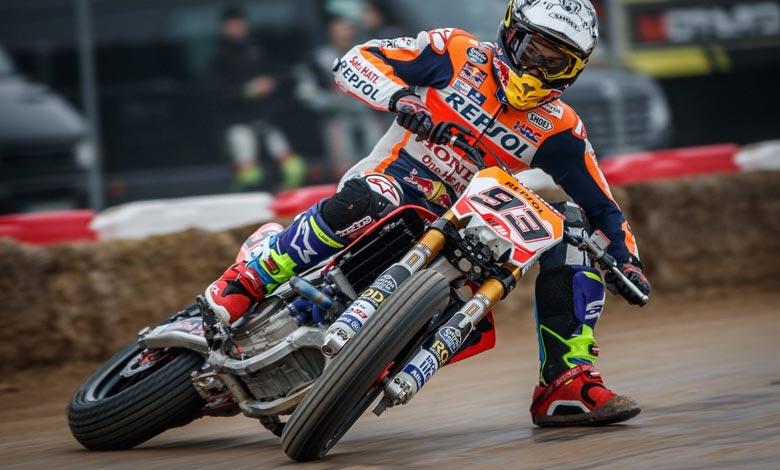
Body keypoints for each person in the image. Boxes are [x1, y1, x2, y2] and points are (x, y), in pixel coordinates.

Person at [202, 0, 651, 426]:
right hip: (388, 189)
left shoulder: (561, 128)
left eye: (554, 63)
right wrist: (401, 98)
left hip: (463, 228)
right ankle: (247, 279)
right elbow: (356, 60)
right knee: (377, 196)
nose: (537, 69)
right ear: (511, 34)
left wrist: (627, 260)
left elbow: (602, 206)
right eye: (533, 51)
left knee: (572, 228)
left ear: (573, 70)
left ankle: (564, 383)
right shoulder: (455, 52)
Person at [205, 6, 305, 191]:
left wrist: (271, 82)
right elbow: (215, 93)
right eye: (232, 25)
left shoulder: (259, 49)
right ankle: (244, 203)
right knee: (249, 174)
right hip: (237, 122)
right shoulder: (217, 58)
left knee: (293, 167)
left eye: (239, 24)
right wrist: (247, 91)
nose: (237, 29)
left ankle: (288, 202)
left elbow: (284, 73)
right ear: (223, 28)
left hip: (266, 119)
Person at [295, 15, 385, 178]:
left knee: (378, 163)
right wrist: (331, 101)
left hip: (368, 115)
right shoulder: (318, 60)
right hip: (337, 117)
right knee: (343, 168)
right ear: (330, 33)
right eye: (338, 30)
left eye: (346, 29)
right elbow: (306, 92)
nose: (343, 34)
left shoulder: (368, 55)